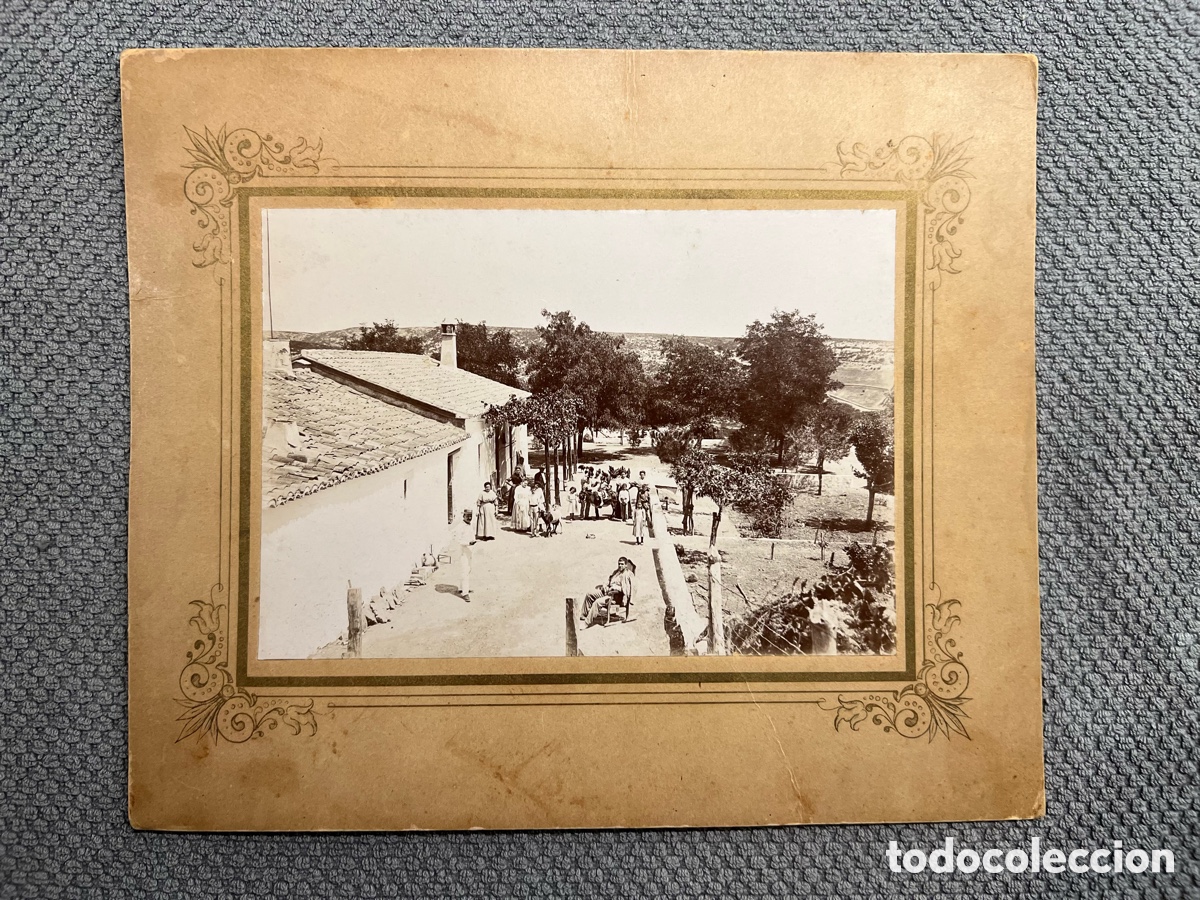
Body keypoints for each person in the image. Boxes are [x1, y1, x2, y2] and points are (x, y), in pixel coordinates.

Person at [580, 557, 636, 627]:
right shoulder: (616, 572)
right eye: (619, 564)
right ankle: (584, 615)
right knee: (589, 594)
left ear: (626, 565)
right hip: (607, 591)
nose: (620, 566)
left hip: (614, 597)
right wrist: (605, 586)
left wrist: (615, 588)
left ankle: (586, 623)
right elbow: (608, 580)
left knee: (597, 602)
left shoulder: (627, 575)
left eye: (622, 564)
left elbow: (627, 589)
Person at [454, 509, 476, 600]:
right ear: (463, 516)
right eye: (467, 516)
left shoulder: (469, 525)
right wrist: (468, 543)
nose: (469, 517)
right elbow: (458, 540)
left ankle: (462, 588)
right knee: (465, 571)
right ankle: (465, 593)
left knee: (468, 569)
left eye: (471, 515)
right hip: (463, 551)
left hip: (469, 551)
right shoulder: (460, 527)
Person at [632, 478, 652, 545]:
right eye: (643, 488)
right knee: (637, 530)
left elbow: (649, 499)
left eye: (645, 488)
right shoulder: (640, 493)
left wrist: (648, 505)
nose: (644, 489)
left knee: (647, 515)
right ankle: (637, 540)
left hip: (646, 504)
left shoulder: (647, 493)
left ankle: (649, 524)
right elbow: (638, 499)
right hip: (638, 517)